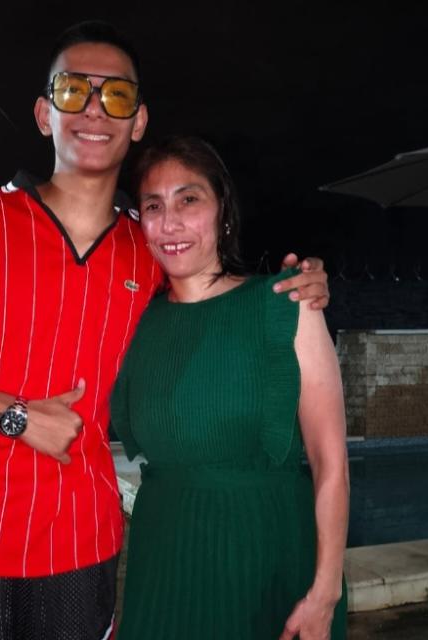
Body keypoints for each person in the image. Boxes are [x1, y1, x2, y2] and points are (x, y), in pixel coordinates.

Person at [0, 21, 331, 640]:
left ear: (138, 121)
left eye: (116, 95)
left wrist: (302, 285)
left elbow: (218, 295)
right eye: (73, 90)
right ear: (43, 113)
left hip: (80, 538)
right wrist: (15, 415)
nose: (94, 109)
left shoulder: (150, 249)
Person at [111, 135, 348, 640]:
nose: (170, 222)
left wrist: (325, 592)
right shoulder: (136, 321)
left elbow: (331, 463)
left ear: (222, 211)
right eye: (154, 206)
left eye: (188, 200)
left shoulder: (284, 304)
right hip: (163, 568)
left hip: (267, 562)